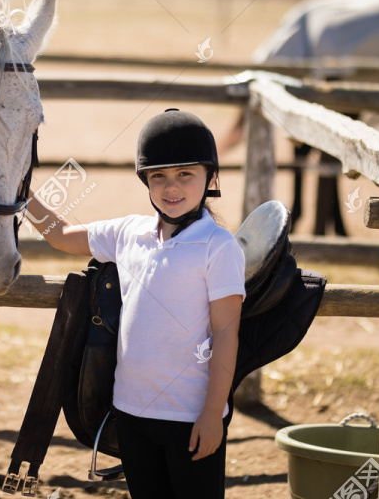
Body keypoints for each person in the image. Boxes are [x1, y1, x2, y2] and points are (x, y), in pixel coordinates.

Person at [27, 109, 245, 499]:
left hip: (190, 417)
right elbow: (59, 235)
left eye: (184, 175)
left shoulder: (219, 247)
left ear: (211, 178)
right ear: (146, 180)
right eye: (158, 176)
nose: (170, 187)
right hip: (129, 413)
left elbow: (226, 335)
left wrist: (213, 415)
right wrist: (19, 191)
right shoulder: (128, 233)